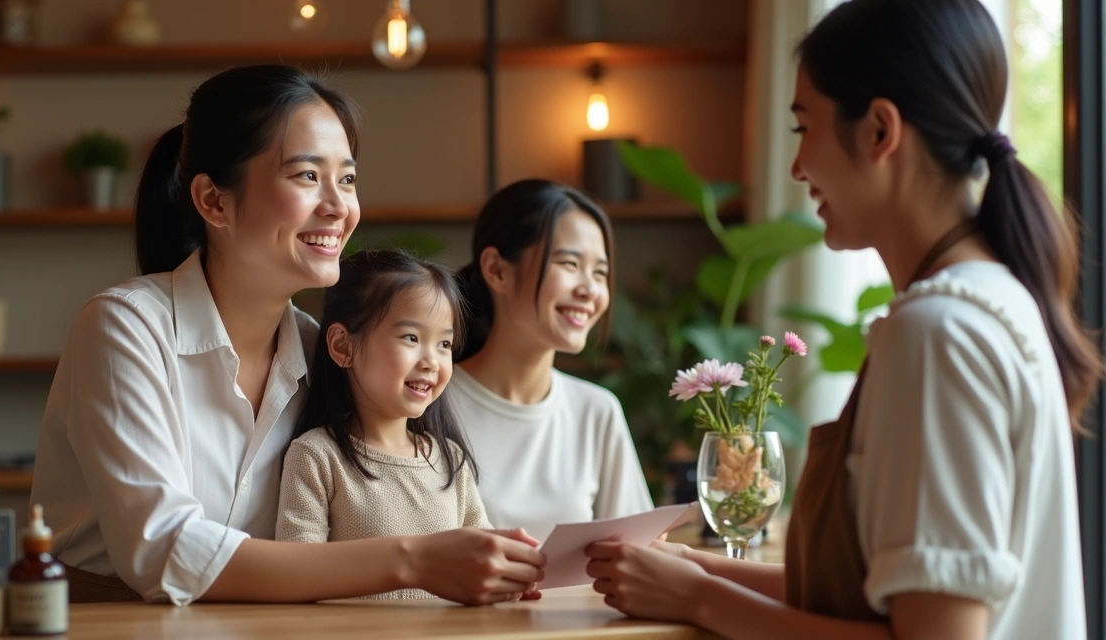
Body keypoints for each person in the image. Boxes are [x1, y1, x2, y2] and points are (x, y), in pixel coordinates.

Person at [584, 1, 1102, 638]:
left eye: (805, 129)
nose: (798, 168)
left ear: (880, 131)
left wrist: (701, 602)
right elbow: (884, 597)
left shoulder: (939, 333)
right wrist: (696, 572)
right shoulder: (990, 300)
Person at [30, 64, 544, 606]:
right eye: (306, 176)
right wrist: (414, 559)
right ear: (213, 201)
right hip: (110, 624)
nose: (338, 207)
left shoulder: (320, 346)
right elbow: (164, 550)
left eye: (346, 178)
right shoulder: (125, 327)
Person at [276, 250, 493, 600]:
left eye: (444, 344)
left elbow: (485, 556)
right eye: (411, 338)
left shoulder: (451, 459)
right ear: (342, 345)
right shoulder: (316, 456)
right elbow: (296, 573)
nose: (432, 361)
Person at [453, 179, 654, 542]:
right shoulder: (427, 404)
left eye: (600, 273)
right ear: (497, 270)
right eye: (569, 263)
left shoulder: (597, 412)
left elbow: (634, 555)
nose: (590, 290)